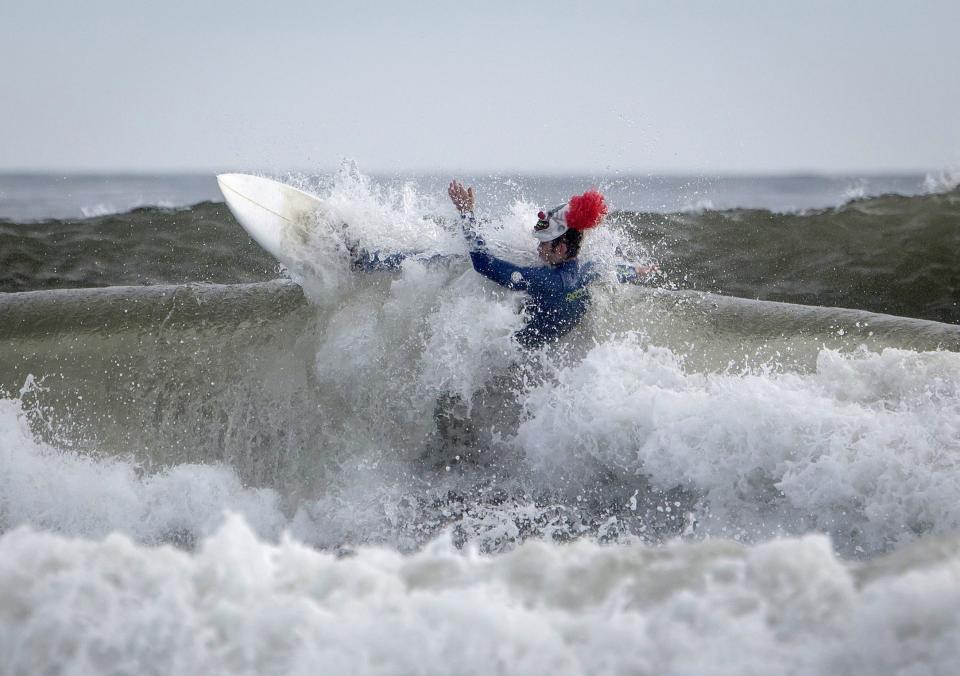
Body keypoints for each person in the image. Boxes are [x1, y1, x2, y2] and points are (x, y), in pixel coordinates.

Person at [449, 179, 627, 350]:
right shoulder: (587, 269)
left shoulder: (546, 280)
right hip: (550, 346)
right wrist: (640, 270)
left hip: (515, 357)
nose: (538, 248)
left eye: (543, 243)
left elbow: (483, 264)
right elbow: (618, 271)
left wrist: (466, 213)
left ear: (561, 248)